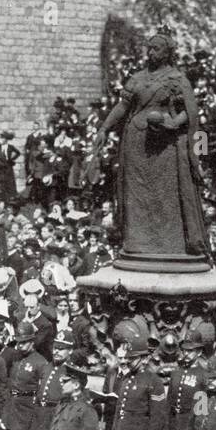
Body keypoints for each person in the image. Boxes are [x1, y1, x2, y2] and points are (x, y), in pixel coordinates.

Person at [88, 31, 209, 262]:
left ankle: (170, 243)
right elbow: (122, 106)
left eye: (157, 49)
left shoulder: (177, 79)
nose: (151, 53)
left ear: (168, 53)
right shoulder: (137, 78)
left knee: (164, 194)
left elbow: (190, 113)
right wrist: (104, 128)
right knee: (137, 193)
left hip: (164, 144)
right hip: (135, 142)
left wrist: (174, 123)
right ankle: (137, 242)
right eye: (149, 48)